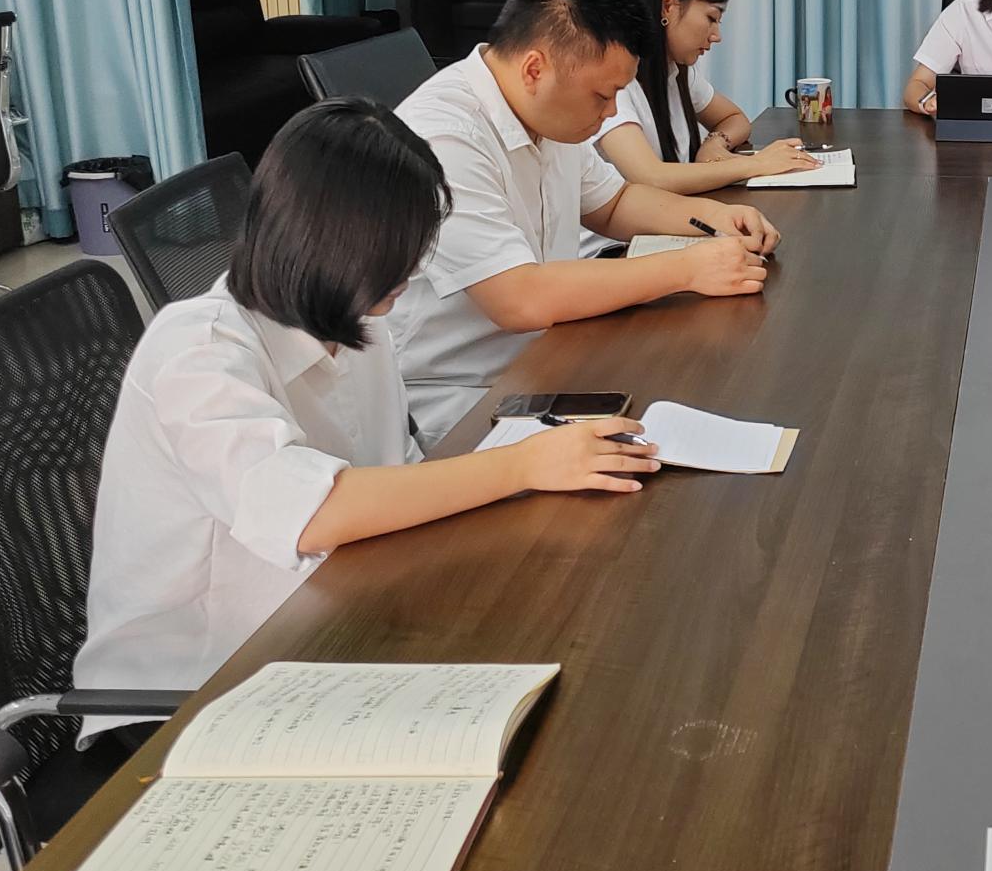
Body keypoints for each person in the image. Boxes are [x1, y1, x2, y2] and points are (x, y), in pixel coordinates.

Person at [73, 100, 663, 733]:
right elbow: (313, 514)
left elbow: (395, 474)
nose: (412, 270)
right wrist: (521, 466)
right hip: (193, 695)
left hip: (332, 627)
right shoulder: (196, 353)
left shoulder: (359, 320)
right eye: (396, 253)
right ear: (327, 242)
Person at [391, 0, 779, 447]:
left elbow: (613, 204)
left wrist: (718, 217)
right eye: (603, 95)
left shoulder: (544, 109)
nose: (611, 111)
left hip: (549, 356)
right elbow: (520, 299)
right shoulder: (444, 137)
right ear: (535, 69)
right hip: (464, 398)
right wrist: (688, 268)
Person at [594, 0, 820, 192]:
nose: (716, 36)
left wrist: (714, 143)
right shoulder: (614, 82)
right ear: (667, 6)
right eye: (712, 18)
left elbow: (734, 118)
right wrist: (757, 164)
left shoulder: (675, 70)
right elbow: (652, 177)